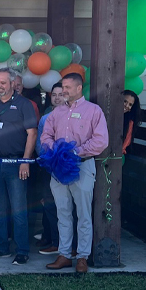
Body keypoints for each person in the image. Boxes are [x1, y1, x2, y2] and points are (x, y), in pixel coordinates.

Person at [41, 73, 109, 273]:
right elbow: (46, 135)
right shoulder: (57, 112)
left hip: (82, 166)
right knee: (62, 212)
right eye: (63, 87)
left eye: (68, 87)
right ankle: (64, 255)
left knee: (83, 214)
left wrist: (73, 152)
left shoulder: (94, 111)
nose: (64, 91)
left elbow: (100, 141)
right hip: (58, 168)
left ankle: (82, 257)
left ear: (79, 88)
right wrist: (55, 151)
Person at [0, 68, 37, 265]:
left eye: (3, 82)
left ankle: (22, 250)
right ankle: (2, 247)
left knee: (18, 209)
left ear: (13, 84)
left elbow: (32, 133)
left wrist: (25, 161)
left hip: (15, 163)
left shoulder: (24, 104)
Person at [36, 82, 65, 255]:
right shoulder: (45, 118)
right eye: (54, 94)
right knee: (48, 205)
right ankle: (53, 239)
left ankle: (63, 243)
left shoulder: (73, 116)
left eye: (61, 94)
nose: (57, 98)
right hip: (48, 168)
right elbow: (40, 145)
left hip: (66, 169)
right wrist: (48, 161)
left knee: (65, 207)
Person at [122, 90, 140, 155]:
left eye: (130, 104)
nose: (127, 106)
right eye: (125, 101)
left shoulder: (130, 122)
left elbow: (125, 143)